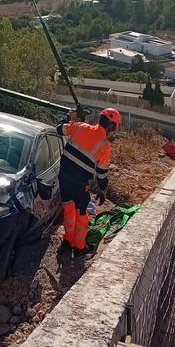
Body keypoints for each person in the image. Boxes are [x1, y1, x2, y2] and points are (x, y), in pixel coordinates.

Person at [56, 107, 122, 254]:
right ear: (112, 126)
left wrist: (68, 120)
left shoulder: (80, 126)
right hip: (79, 184)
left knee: (68, 210)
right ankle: (79, 246)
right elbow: (102, 173)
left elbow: (59, 129)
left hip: (64, 177)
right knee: (81, 215)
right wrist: (102, 190)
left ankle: (67, 240)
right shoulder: (105, 145)